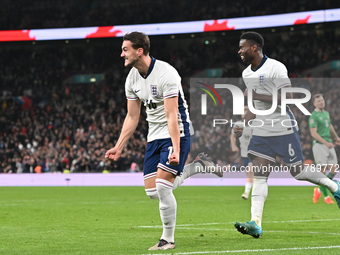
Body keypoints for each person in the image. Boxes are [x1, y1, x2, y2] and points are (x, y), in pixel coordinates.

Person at [105, 32, 221, 251]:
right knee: (152, 192)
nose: (121, 54)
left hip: (177, 131)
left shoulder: (166, 73)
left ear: (140, 51)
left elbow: (171, 115)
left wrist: (176, 149)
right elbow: (132, 116)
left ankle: (167, 239)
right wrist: (118, 146)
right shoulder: (132, 77)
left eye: (125, 49)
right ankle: (194, 168)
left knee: (162, 186)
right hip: (154, 136)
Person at [233, 31, 340, 239]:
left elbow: (287, 98)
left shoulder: (276, 67)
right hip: (261, 130)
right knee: (260, 175)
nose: (239, 51)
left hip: (283, 128)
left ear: (254, 47)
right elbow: (255, 107)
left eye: (242, 47)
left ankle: (334, 185)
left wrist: (255, 94)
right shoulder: (247, 74)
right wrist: (243, 124)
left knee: (298, 172)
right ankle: (256, 222)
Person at [310, 94, 340, 204]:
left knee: (334, 169)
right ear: (315, 104)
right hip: (319, 145)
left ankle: (318, 190)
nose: (321, 102)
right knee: (322, 172)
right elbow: (313, 133)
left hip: (329, 143)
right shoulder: (314, 116)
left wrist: (336, 138)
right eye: (318, 101)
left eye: (322, 100)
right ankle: (327, 197)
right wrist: (325, 142)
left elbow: (330, 126)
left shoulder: (326, 113)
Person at [230, 106, 253, 200]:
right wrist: (233, 146)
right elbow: (233, 136)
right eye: (243, 112)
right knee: (249, 174)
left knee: (250, 171)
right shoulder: (238, 124)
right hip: (244, 153)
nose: (244, 114)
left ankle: (246, 193)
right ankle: (255, 190)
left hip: (253, 152)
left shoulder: (255, 125)